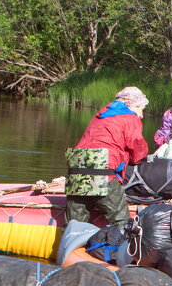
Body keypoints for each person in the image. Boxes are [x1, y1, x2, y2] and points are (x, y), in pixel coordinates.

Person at [64, 86, 150, 228]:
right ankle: (123, 248)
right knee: (122, 223)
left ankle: (71, 248)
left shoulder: (101, 115)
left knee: (74, 224)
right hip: (103, 173)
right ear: (133, 105)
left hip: (77, 172)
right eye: (141, 109)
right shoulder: (130, 118)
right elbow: (137, 150)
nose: (141, 115)